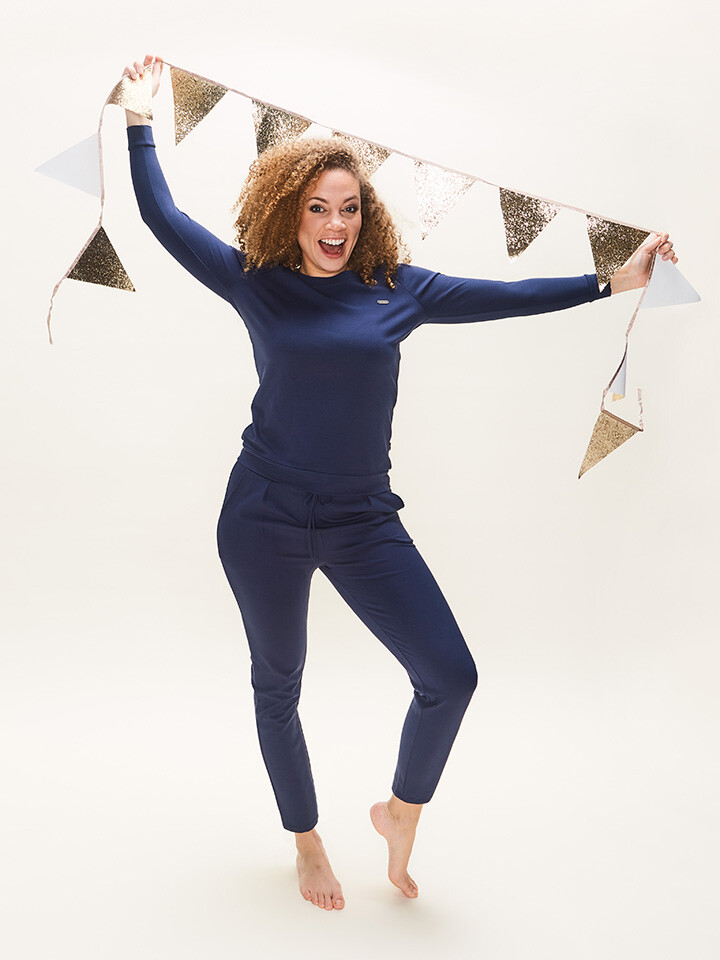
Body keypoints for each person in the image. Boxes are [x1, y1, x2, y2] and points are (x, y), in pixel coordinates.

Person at [121, 54, 678, 911]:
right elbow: (162, 215)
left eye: (349, 207)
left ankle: (399, 812)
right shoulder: (255, 283)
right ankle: (306, 841)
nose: (335, 223)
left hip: (362, 521)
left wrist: (613, 280)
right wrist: (139, 119)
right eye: (318, 207)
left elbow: (508, 294)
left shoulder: (398, 290)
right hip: (262, 515)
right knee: (278, 683)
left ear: (366, 215)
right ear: (289, 211)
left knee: (450, 676)